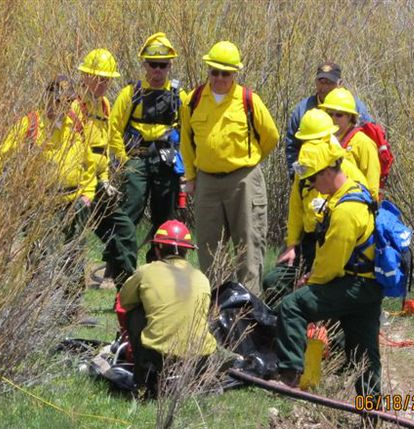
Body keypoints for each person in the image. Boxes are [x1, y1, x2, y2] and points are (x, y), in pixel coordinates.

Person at [273, 139, 383, 398]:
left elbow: (332, 263)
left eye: (312, 178)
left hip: (352, 285)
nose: (310, 185)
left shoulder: (345, 211)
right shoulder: (355, 190)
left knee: (292, 306)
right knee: (364, 354)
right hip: (369, 287)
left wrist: (311, 282)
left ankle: (289, 375)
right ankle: (372, 410)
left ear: (326, 172)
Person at [181, 41, 279, 295]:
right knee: (209, 250)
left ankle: (248, 314)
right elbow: (186, 141)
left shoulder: (248, 100)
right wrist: (191, 177)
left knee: (248, 248)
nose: (220, 78)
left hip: (243, 180)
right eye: (214, 71)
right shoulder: (193, 99)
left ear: (235, 73)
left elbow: (271, 137)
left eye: (226, 73)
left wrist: (249, 160)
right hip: (206, 183)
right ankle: (216, 309)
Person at [262, 109, 367, 307]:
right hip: (309, 242)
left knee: (327, 292)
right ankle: (282, 327)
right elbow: (296, 208)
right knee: (274, 282)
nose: (311, 145)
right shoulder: (304, 170)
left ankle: (326, 330)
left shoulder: (347, 172)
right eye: (306, 141)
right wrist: (292, 245)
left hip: (338, 246)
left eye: (317, 139)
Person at [109, 32, 187, 269]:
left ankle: (160, 270)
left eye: (162, 65)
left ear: (170, 66)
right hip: (136, 161)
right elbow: (113, 129)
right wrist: (123, 162)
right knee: (127, 219)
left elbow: (191, 133)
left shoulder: (179, 96)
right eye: (153, 65)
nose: (157, 71)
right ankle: (123, 272)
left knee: (165, 220)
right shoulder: (130, 94)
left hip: (166, 163)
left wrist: (186, 169)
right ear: (144, 64)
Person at [0, 74, 95, 242]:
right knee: (41, 254)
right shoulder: (30, 123)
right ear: (47, 98)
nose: (62, 107)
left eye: (68, 102)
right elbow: (2, 154)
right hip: (40, 204)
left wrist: (88, 193)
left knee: (73, 257)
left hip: (73, 202)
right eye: (58, 101)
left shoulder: (76, 124)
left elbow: (90, 162)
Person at [119, 220, 217, 396]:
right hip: (198, 359)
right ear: (187, 251)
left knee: (135, 313)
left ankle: (141, 379)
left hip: (158, 358)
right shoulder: (202, 277)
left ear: (157, 249)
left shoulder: (146, 271)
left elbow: (124, 301)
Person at [73, 49, 138, 289]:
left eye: (107, 79)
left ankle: (127, 294)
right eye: (97, 77)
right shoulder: (74, 105)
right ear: (85, 76)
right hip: (78, 189)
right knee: (74, 244)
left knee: (125, 231)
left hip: (99, 186)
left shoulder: (105, 105)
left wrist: (105, 179)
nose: (102, 83)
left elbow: (103, 147)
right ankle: (70, 307)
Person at [285, 62, 372, 177]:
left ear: (340, 83)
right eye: (321, 82)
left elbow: (369, 138)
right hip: (311, 179)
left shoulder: (354, 106)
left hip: (348, 179)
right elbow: (292, 145)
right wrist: (296, 176)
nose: (324, 88)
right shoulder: (303, 110)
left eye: (329, 83)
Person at [319, 87, 380, 199]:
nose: (333, 118)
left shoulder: (363, 143)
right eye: (329, 114)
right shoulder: (324, 141)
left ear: (350, 116)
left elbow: (372, 189)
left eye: (339, 115)